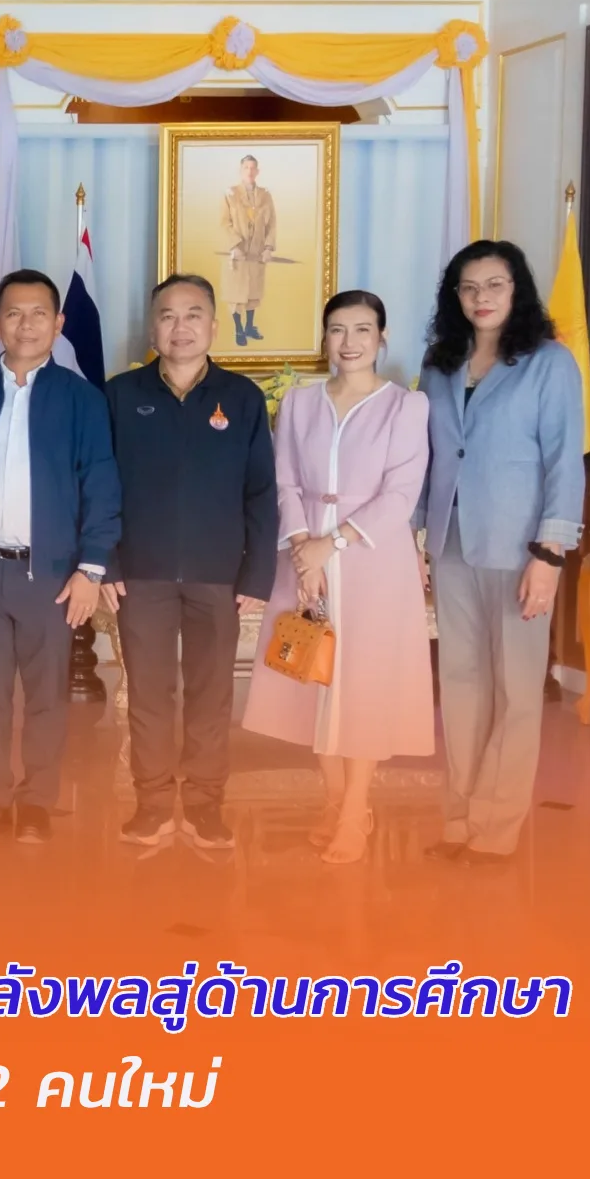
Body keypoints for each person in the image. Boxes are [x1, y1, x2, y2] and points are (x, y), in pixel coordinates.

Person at [242, 290, 433, 864]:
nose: (349, 342)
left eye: (362, 329)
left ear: (382, 337)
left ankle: (355, 811)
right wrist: (304, 547)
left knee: (363, 686)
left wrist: (333, 544)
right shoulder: (299, 402)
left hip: (373, 562)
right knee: (311, 679)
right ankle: (332, 801)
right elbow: (283, 480)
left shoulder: (406, 407)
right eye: (338, 330)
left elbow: (400, 493)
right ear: (323, 336)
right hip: (304, 558)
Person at [0, 268, 120, 844]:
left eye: (39, 313)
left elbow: (102, 485)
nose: (26, 324)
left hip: (53, 576)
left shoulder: (82, 400)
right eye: (14, 313)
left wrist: (92, 568)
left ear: (58, 323)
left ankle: (37, 802)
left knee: (46, 695)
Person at [418, 240, 586, 865]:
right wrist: (416, 534)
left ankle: (496, 829)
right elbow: (429, 456)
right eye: (468, 287)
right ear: (454, 296)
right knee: (461, 684)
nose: (481, 297)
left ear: (517, 290)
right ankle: (459, 818)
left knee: (516, 690)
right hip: (451, 543)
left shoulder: (549, 362)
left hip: (521, 549)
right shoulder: (440, 363)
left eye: (494, 284)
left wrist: (551, 553)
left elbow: (564, 461)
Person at [103, 274, 277, 850]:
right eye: (168, 316)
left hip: (218, 576)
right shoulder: (120, 395)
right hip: (140, 574)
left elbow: (261, 491)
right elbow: (99, 486)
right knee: (148, 695)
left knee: (211, 695)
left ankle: (204, 805)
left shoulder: (242, 398)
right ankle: (152, 804)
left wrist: (257, 573)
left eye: (193, 314)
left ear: (214, 325)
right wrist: (106, 563)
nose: (181, 327)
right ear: (152, 328)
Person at [220, 155, 276, 347]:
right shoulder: (230, 194)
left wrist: (268, 248)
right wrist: (234, 246)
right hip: (238, 255)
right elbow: (224, 223)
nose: (250, 171)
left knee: (253, 293)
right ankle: (238, 329)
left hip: (257, 253)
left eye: (253, 168)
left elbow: (272, 223)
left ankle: (250, 327)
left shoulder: (265, 195)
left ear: (257, 171)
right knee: (236, 294)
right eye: (246, 168)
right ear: (241, 170)